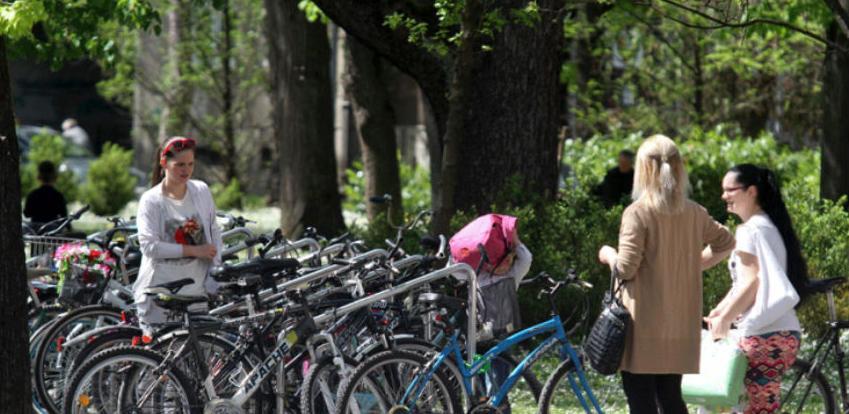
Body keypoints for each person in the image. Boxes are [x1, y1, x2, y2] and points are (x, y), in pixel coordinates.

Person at [597, 134, 735, 414]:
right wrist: (694, 264)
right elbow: (726, 242)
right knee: (671, 398)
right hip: (680, 324)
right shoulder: (694, 212)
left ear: (643, 170)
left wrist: (607, 253)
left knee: (641, 400)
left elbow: (625, 268)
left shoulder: (637, 213)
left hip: (643, 326)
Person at [705, 164, 809, 414]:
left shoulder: (749, 230)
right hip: (782, 334)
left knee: (742, 407)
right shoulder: (769, 225)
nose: (724, 196)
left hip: (763, 336)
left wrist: (727, 318)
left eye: (730, 189)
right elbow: (745, 282)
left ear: (751, 191)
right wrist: (722, 310)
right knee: (750, 407)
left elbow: (752, 282)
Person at [134, 136, 223, 336]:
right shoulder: (151, 200)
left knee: (197, 359)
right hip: (161, 294)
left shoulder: (201, 190)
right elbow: (149, 246)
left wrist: (215, 272)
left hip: (196, 292)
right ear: (164, 163)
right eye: (180, 164)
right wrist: (194, 250)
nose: (186, 170)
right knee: (161, 358)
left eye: (190, 164)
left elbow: (213, 232)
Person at [24, 161, 68, 227]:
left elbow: (27, 214)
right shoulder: (58, 196)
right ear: (54, 176)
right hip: (52, 231)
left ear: (39, 176)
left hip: (35, 231)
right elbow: (64, 217)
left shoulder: (33, 195)